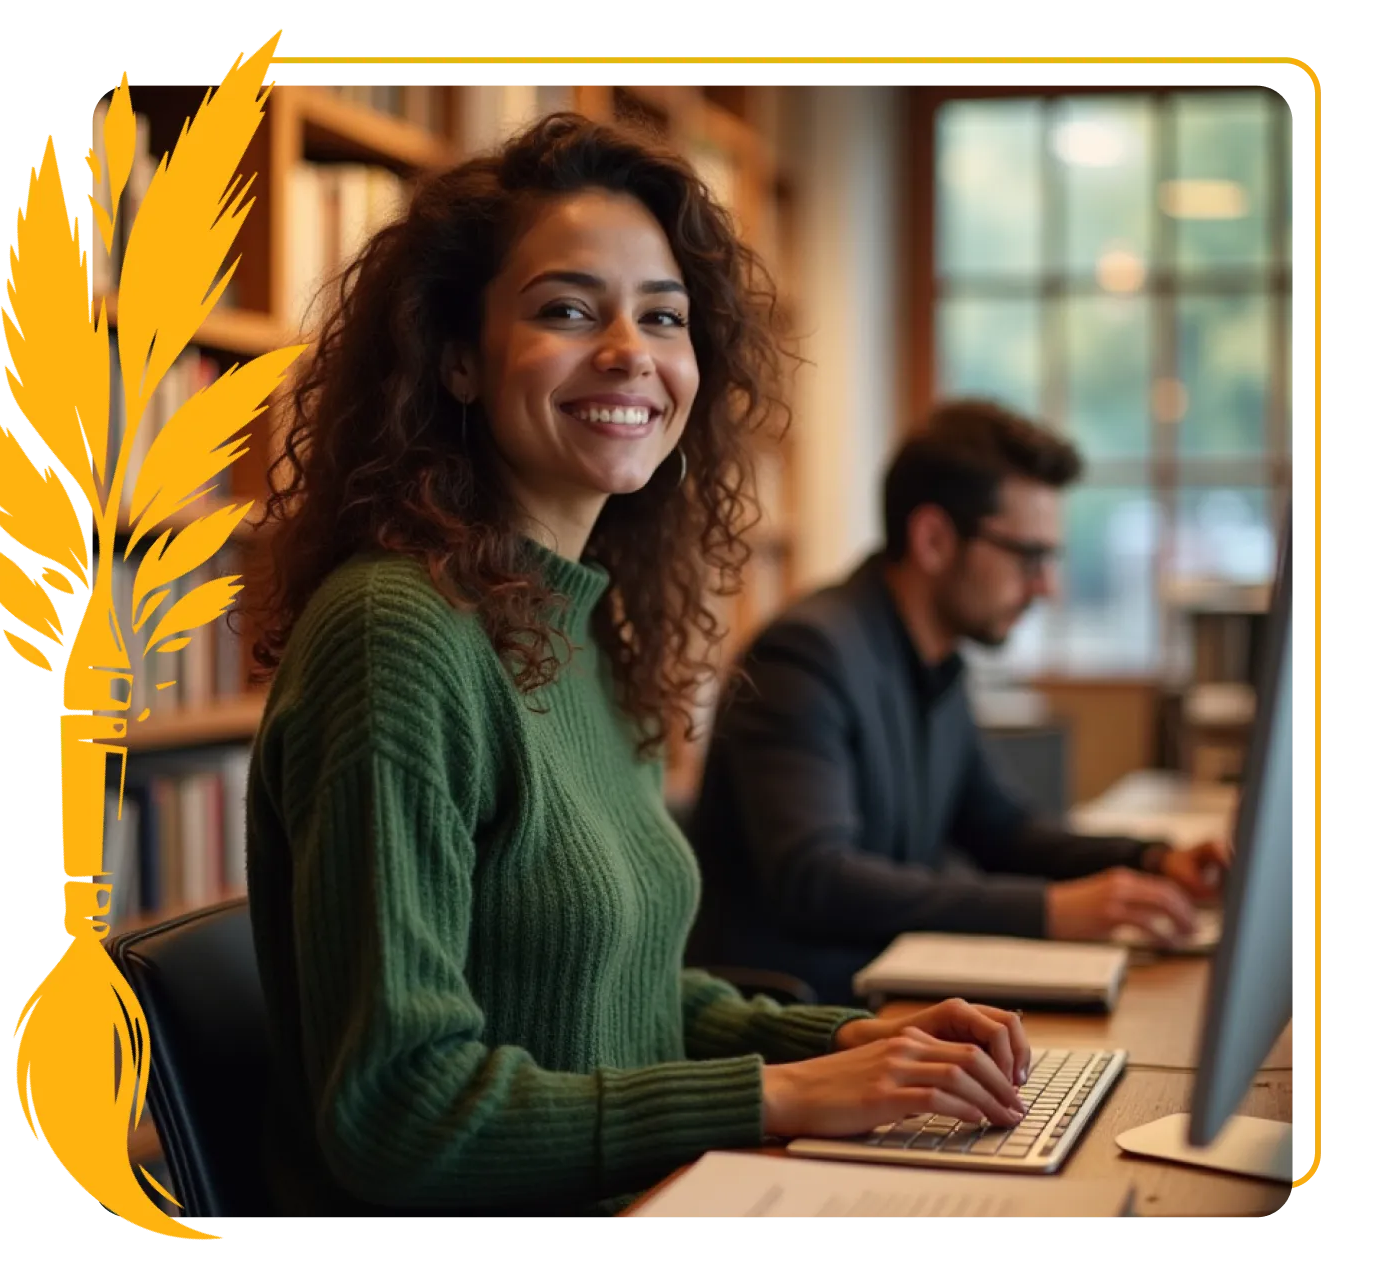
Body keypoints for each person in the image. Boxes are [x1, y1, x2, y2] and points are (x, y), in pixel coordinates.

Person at [240, 114, 1032, 1225]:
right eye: (567, 310)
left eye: (663, 316)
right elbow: (399, 1113)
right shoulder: (397, 634)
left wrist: (855, 1037)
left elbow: (617, 995)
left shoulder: (583, 633)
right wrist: (783, 1093)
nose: (630, 352)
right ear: (456, 357)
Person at [685, 398, 1232, 1008]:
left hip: (888, 996)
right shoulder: (807, 656)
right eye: (1029, 557)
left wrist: (1152, 860)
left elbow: (999, 828)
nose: (1046, 586)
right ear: (935, 539)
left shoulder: (937, 659)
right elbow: (816, 879)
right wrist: (1051, 910)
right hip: (801, 1019)